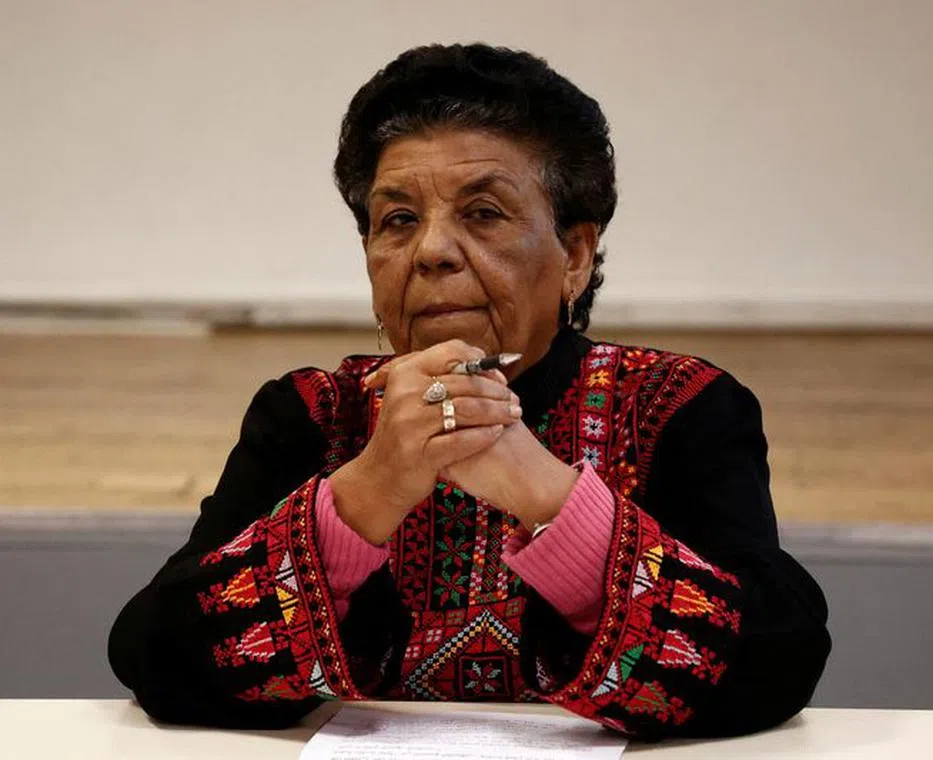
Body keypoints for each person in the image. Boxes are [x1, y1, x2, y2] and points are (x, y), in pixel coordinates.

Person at [108, 43, 830, 740]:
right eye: (397, 220)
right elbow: (155, 659)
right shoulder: (310, 416)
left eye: (483, 213)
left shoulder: (679, 406)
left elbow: (779, 662)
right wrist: (363, 496)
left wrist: (552, 499)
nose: (431, 251)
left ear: (575, 254)